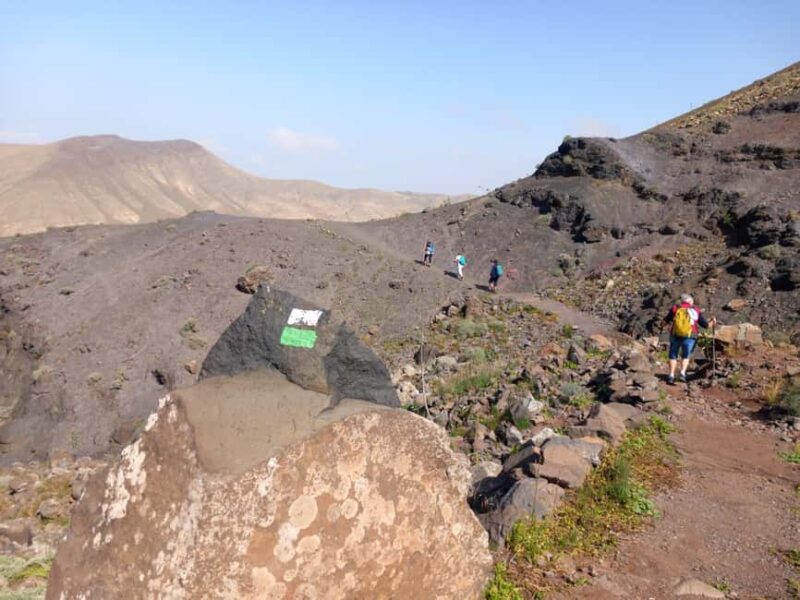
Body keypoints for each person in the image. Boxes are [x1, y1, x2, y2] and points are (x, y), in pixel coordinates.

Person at [662, 293, 716, 384]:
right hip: (690, 336)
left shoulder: (675, 308)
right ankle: (683, 373)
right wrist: (712, 322)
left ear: (682, 301)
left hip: (675, 335)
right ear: (690, 301)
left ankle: (671, 375)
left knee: (673, 355)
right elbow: (705, 325)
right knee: (685, 355)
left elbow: (664, 322)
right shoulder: (695, 310)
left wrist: (664, 325)